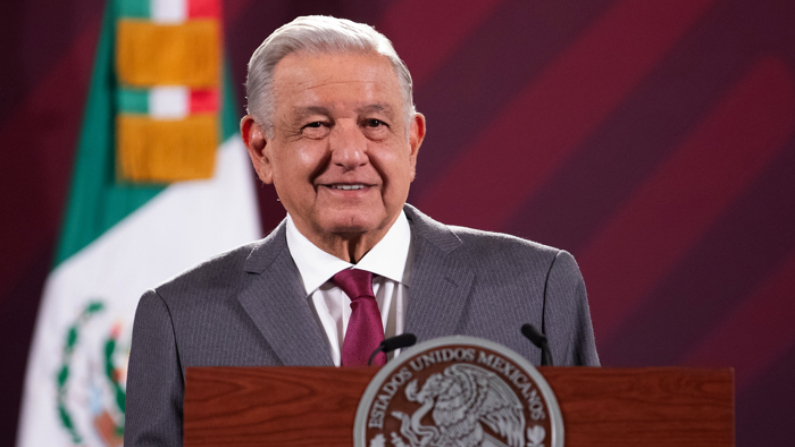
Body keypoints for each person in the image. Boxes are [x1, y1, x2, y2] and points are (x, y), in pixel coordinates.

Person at [124, 15, 599, 446]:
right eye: (315, 125)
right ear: (262, 148)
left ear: (411, 142)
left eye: (374, 123)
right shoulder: (180, 321)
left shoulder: (538, 288)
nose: (350, 153)